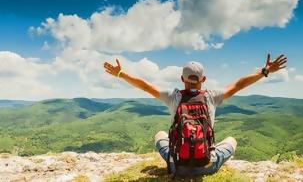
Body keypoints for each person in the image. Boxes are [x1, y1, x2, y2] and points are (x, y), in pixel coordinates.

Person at [103, 54, 287, 177]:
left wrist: (121, 73)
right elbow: (239, 85)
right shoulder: (211, 96)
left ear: (182, 79)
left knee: (160, 134)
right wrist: (265, 71)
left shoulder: (173, 96)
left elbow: (145, 86)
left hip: (178, 167)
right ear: (203, 80)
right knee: (232, 139)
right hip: (207, 165)